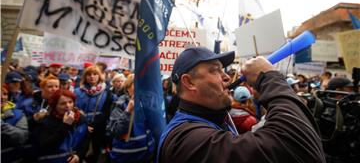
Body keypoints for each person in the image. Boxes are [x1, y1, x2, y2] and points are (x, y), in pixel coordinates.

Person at [157, 46, 325, 163]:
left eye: (223, 70)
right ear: (190, 82)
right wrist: (269, 78)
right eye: (215, 70)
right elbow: (297, 149)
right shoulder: (186, 141)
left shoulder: (212, 122)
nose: (227, 78)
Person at [106, 74, 155, 162]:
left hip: (147, 154)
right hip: (126, 156)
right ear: (127, 87)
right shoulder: (120, 104)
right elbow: (116, 130)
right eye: (135, 84)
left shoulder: (148, 103)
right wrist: (128, 111)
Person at [33, 89, 90, 162]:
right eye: (62, 103)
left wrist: (79, 155)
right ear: (55, 105)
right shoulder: (45, 122)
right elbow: (46, 146)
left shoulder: (81, 119)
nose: (68, 106)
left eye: (70, 102)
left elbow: (85, 141)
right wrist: (65, 125)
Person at [74, 66, 113, 163]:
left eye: (95, 74)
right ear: (85, 76)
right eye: (89, 74)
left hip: (98, 127)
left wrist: (93, 125)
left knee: (95, 152)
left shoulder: (106, 92)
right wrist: (84, 124)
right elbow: (73, 108)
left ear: (99, 76)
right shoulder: (77, 91)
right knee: (79, 152)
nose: (92, 77)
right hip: (80, 126)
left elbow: (107, 112)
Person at [1, 84, 29, 163]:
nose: (2, 97)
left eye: (5, 94)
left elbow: (22, 137)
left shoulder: (17, 114)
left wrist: (2, 125)